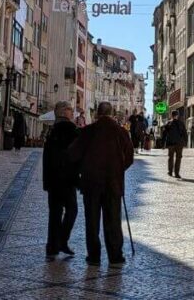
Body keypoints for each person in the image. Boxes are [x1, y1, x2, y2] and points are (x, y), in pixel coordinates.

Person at [68, 102, 133, 268]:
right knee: (113, 221)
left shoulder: (88, 131)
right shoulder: (121, 132)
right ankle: (115, 256)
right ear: (111, 114)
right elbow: (129, 158)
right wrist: (118, 169)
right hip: (113, 183)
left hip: (91, 183)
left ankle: (94, 256)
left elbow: (73, 154)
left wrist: (82, 169)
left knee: (92, 221)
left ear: (97, 114)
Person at [43, 101, 80, 259]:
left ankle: (52, 247)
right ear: (64, 112)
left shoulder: (51, 131)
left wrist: (46, 180)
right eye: (71, 110)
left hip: (52, 179)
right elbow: (76, 155)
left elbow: (46, 158)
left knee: (55, 213)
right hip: (67, 179)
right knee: (72, 210)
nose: (73, 113)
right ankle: (62, 241)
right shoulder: (71, 130)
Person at [162, 111, 187, 178]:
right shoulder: (181, 123)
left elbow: (164, 134)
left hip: (171, 143)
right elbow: (185, 133)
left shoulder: (168, 123)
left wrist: (163, 143)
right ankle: (177, 173)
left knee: (171, 158)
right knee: (178, 158)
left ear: (171, 115)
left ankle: (170, 172)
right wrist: (185, 143)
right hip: (179, 143)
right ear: (177, 115)